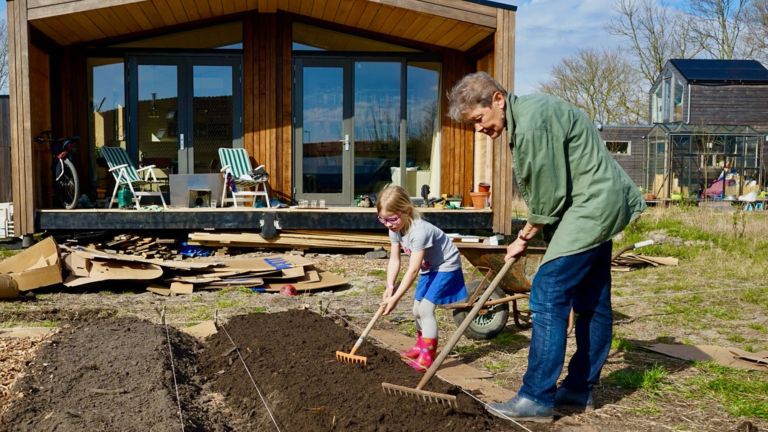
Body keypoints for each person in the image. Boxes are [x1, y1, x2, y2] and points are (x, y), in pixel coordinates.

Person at [447, 72, 646, 422]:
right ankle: (578, 389)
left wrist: (523, 238)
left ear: (497, 99)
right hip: (597, 203)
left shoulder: (533, 122)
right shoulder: (530, 115)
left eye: (478, 120)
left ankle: (537, 397)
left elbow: (549, 195)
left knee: (548, 290)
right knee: (593, 300)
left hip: (591, 207)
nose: (479, 129)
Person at [377, 186, 467, 372]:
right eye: (383, 219)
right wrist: (389, 286)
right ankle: (420, 346)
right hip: (429, 268)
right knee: (416, 309)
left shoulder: (419, 231)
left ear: (407, 211)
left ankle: (428, 355)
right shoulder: (395, 228)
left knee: (425, 309)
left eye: (392, 219)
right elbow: (395, 259)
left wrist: (395, 299)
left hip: (445, 267)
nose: (388, 224)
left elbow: (412, 270)